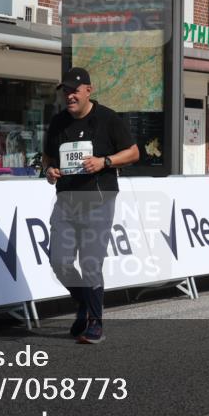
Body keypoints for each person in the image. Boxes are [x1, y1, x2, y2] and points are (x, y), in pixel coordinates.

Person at [43, 67, 139, 345]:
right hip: (66, 200)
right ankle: (85, 302)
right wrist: (49, 172)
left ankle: (95, 324)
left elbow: (133, 152)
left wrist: (104, 162)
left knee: (90, 263)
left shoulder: (107, 119)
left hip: (98, 200)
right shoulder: (59, 122)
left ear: (88, 90)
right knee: (59, 261)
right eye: (66, 91)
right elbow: (48, 159)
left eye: (75, 90)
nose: (70, 96)